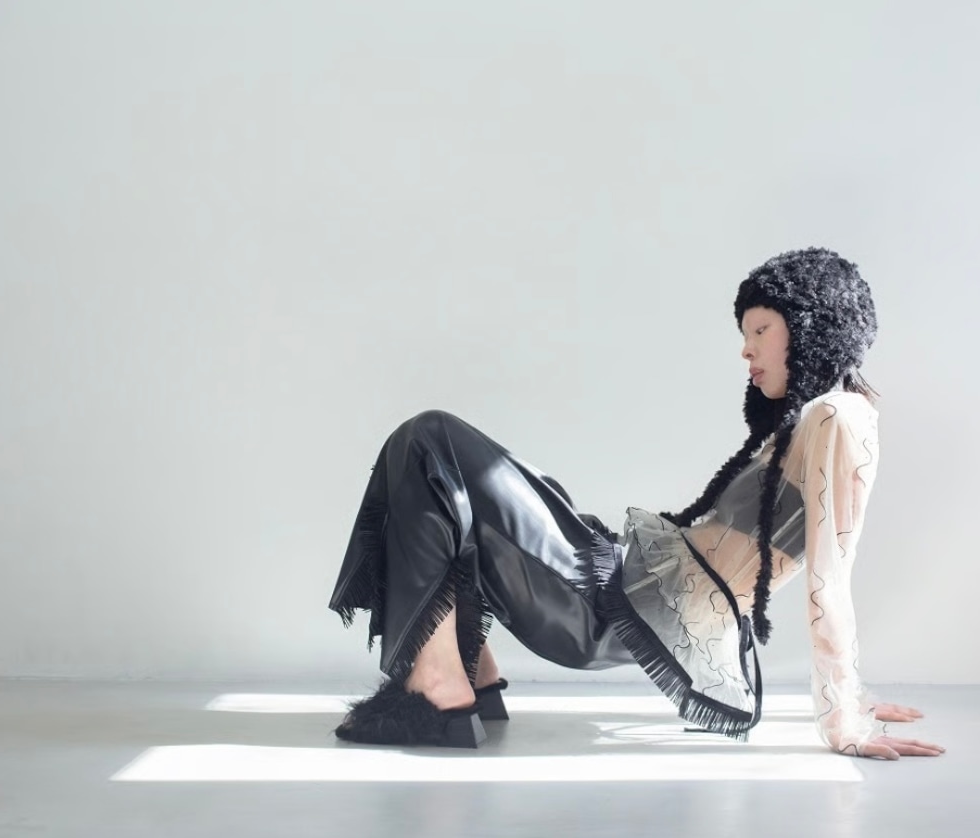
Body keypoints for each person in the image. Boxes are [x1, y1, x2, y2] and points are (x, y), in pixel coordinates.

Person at [328, 247, 945, 760]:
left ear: (814, 327)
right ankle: (469, 673)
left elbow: (830, 578)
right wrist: (851, 697)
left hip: (611, 605)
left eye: (761, 331)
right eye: (744, 334)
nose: (746, 350)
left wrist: (843, 717)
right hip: (621, 584)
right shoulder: (830, 420)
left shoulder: (836, 416)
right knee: (443, 459)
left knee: (426, 440)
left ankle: (441, 684)